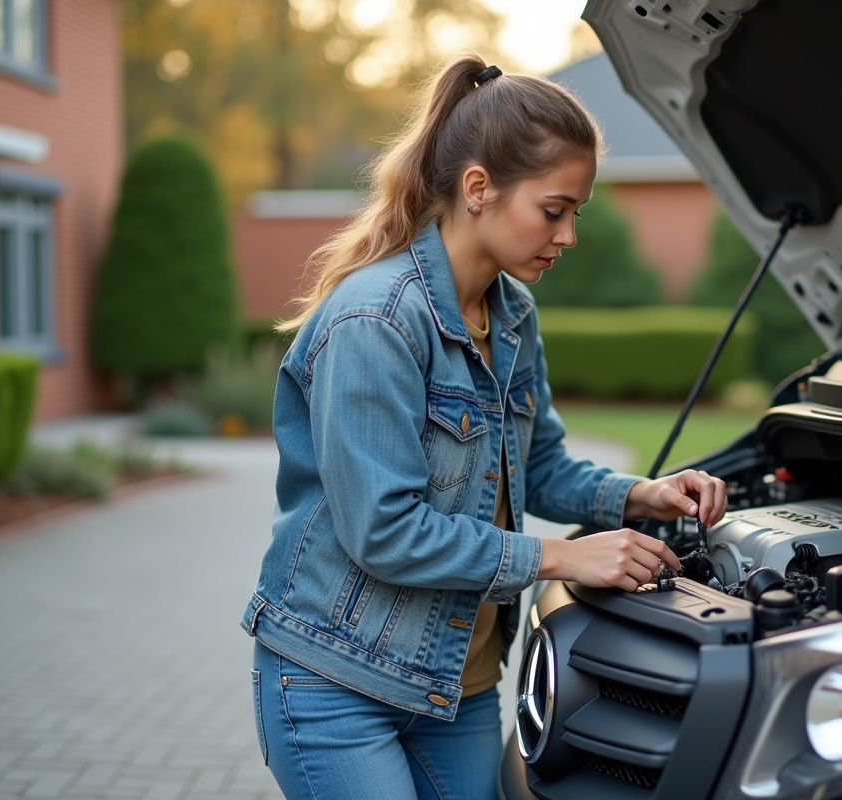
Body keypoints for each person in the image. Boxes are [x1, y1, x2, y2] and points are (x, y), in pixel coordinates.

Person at [240, 55, 728, 800]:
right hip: (335, 676)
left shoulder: (511, 315)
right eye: (553, 209)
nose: (566, 235)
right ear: (478, 189)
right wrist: (562, 558)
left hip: (453, 685)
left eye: (576, 214)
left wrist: (643, 495)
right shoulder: (376, 320)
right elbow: (385, 530)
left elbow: (538, 469)